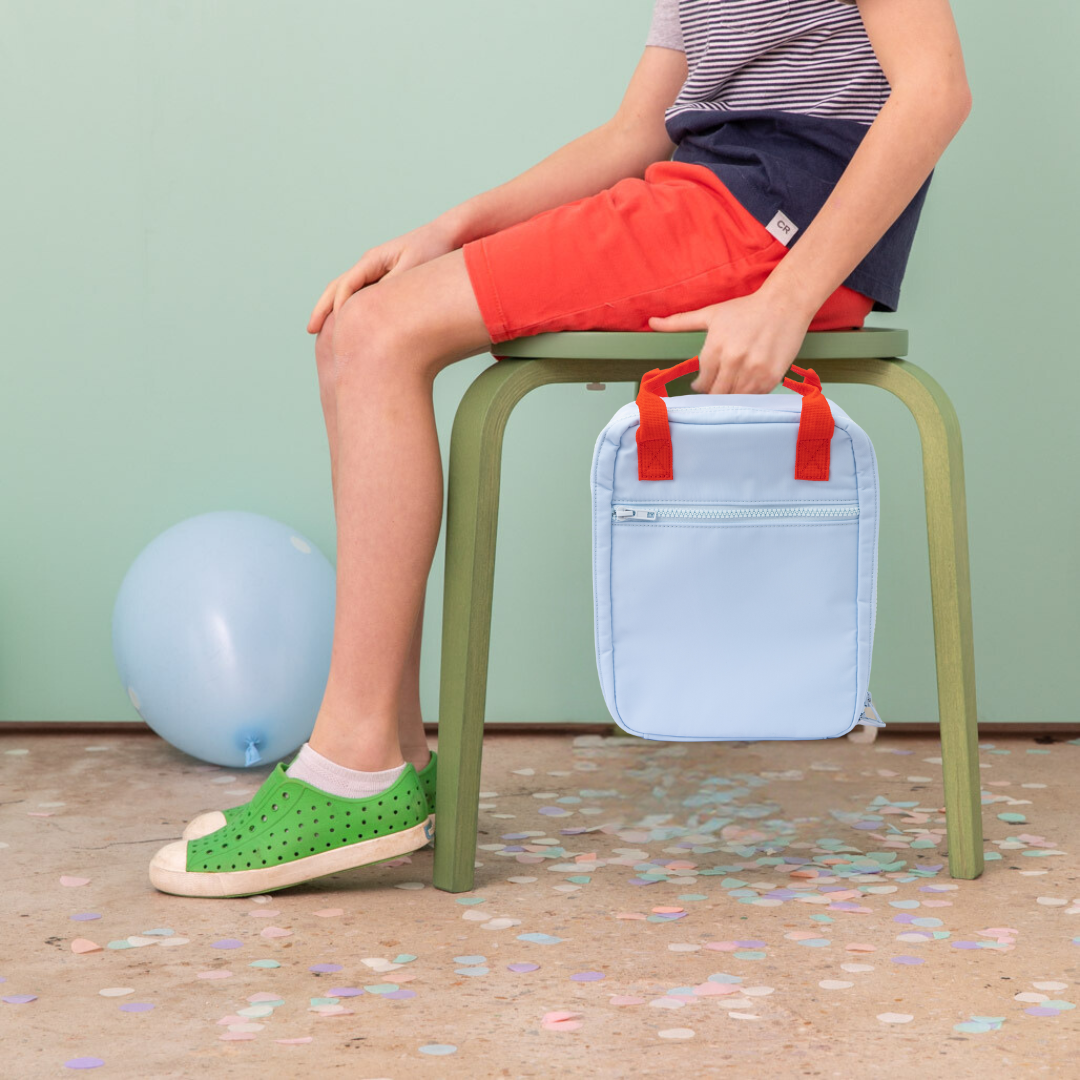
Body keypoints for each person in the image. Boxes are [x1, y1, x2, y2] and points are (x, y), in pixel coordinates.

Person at [150, 0, 971, 897]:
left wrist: (789, 298)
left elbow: (934, 92)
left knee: (374, 337)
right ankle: (384, 762)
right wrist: (459, 229)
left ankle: (351, 767)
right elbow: (637, 130)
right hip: (703, 192)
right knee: (357, 329)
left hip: (770, 216)